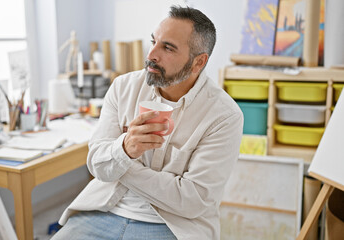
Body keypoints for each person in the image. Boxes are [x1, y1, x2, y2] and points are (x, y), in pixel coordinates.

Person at [52, 5, 243, 240]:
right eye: (153, 41)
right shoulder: (123, 87)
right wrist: (125, 148)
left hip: (172, 225)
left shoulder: (223, 115)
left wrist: (122, 163)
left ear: (198, 62)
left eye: (168, 48)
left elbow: (193, 200)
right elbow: (97, 164)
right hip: (104, 210)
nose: (152, 54)